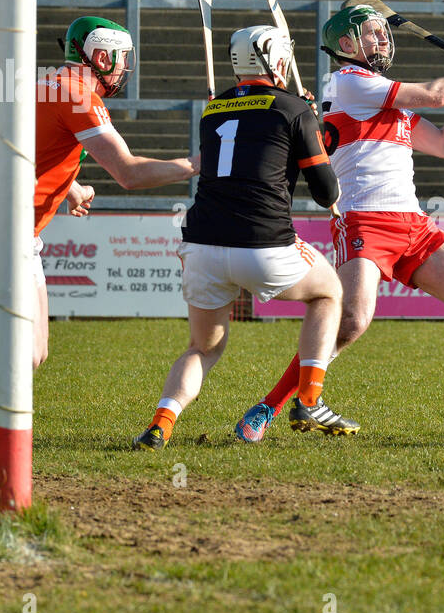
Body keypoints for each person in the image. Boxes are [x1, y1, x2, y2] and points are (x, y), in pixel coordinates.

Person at [237, 4, 444, 442]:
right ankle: (269, 407)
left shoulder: (385, 95)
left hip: (414, 225)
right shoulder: (352, 83)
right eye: (372, 34)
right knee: (351, 321)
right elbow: (439, 95)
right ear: (346, 46)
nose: (383, 40)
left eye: (385, 33)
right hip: (364, 219)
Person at [0, 17, 198, 445]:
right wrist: (196, 165)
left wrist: (69, 186)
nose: (123, 70)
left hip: (16, 232)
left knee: (33, 351)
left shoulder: (51, 83)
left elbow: (27, 147)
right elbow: (129, 174)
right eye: (120, 60)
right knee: (17, 346)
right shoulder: (79, 94)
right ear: (101, 56)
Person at [134, 24, 352, 450]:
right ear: (277, 60)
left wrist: (299, 118)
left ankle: (161, 423)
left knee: (202, 347)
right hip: (264, 244)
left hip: (202, 244)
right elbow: (327, 191)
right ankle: (308, 398)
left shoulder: (212, 109)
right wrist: (310, 125)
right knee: (328, 293)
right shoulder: (293, 109)